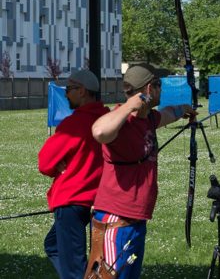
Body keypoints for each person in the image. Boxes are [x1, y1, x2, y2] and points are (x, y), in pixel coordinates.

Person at [85, 63, 197, 279]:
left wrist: (184, 108)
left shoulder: (148, 119)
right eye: (158, 85)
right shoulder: (122, 120)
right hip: (115, 220)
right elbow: (99, 131)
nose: (161, 89)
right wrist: (128, 106)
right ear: (148, 89)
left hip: (135, 220)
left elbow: (167, 114)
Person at [38, 69, 109, 278]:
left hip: (71, 201)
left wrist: (58, 165)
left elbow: (44, 162)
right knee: (53, 245)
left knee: (73, 267)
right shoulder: (108, 119)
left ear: (83, 91)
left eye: (69, 89)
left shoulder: (74, 123)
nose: (66, 94)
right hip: (96, 199)